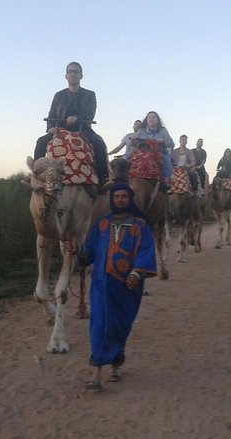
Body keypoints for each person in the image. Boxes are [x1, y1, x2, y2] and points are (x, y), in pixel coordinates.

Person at [65, 183, 157, 390]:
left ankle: (116, 363)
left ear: (129, 199)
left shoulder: (140, 226)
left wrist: (136, 272)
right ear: (112, 199)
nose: (120, 200)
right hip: (100, 286)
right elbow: (90, 252)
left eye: (124, 197)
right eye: (117, 197)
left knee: (119, 327)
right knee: (98, 326)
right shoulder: (102, 225)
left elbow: (146, 252)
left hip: (127, 288)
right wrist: (77, 249)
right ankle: (96, 373)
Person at [33, 62, 112, 191]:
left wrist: (78, 119)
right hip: (60, 129)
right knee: (41, 142)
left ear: (81, 76)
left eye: (76, 72)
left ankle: (103, 179)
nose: (73, 74)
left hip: (83, 129)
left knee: (98, 143)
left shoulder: (89, 95)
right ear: (66, 76)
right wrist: (50, 127)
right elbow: (52, 113)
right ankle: (37, 176)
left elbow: (90, 114)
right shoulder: (59, 95)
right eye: (70, 71)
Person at [132, 111, 174, 192]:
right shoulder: (141, 131)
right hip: (142, 153)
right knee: (125, 160)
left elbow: (171, 143)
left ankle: (166, 182)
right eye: (149, 117)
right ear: (146, 120)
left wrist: (161, 142)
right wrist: (134, 139)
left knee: (167, 160)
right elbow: (133, 141)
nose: (151, 119)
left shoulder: (163, 130)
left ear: (157, 120)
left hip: (159, 153)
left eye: (153, 117)